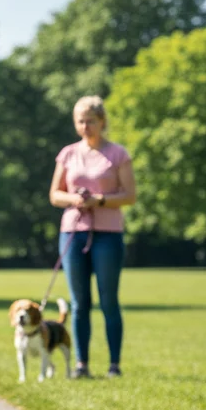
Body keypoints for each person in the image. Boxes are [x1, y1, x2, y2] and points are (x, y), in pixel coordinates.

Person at [49, 96, 136, 379]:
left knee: (109, 300)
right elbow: (55, 195)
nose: (85, 126)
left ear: (102, 122)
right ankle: (81, 364)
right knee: (79, 303)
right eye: (80, 121)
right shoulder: (68, 154)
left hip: (107, 234)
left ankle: (114, 365)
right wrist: (75, 199)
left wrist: (99, 200)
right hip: (73, 232)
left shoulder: (117, 154)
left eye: (90, 121)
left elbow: (130, 195)